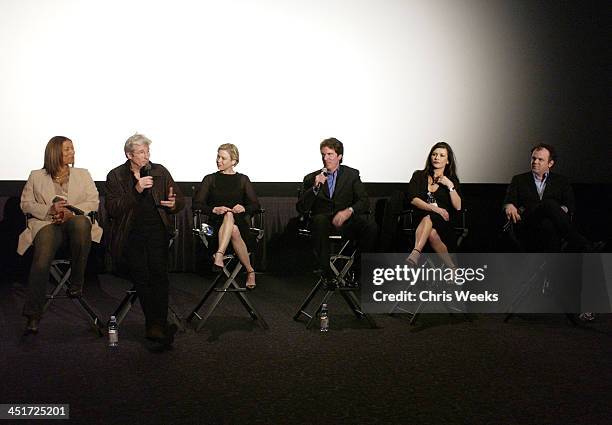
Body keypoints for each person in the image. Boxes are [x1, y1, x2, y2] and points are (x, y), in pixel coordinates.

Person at [105, 133, 184, 351]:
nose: (146, 156)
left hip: (157, 230)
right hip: (131, 233)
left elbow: (180, 200)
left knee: (159, 275)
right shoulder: (116, 176)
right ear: (129, 155)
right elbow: (113, 209)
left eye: (148, 152)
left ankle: (156, 326)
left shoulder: (159, 171)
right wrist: (136, 190)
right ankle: (156, 326)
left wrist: (173, 204)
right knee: (143, 277)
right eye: (141, 152)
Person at [18, 136, 102, 334]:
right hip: (47, 224)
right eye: (67, 149)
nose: (72, 152)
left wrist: (70, 213)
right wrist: (50, 210)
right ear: (55, 153)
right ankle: (33, 314)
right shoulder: (36, 176)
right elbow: (26, 204)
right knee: (42, 257)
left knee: (82, 223)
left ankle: (76, 283)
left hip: (75, 224)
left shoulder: (83, 174)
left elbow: (93, 202)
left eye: (72, 148)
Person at [297, 137, 377, 286]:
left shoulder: (351, 175)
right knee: (319, 220)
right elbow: (301, 208)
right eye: (323, 154)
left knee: (370, 227)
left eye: (330, 154)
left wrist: (348, 211)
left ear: (339, 156)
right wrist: (315, 188)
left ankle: (356, 271)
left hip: (345, 221)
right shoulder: (311, 178)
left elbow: (364, 201)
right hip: (323, 223)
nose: (325, 158)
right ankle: (326, 272)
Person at [503, 143, 595, 252]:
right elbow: (508, 200)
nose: (535, 162)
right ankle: (582, 243)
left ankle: (551, 263)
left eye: (540, 159)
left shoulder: (562, 181)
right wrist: (509, 206)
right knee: (549, 204)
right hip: (527, 221)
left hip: (552, 224)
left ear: (550, 163)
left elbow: (570, 205)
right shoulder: (519, 179)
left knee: (549, 223)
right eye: (533, 158)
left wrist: (557, 211)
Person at [192, 143, 260, 289]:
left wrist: (244, 208)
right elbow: (197, 205)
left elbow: (256, 205)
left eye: (223, 158)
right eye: (218, 157)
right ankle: (250, 271)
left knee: (233, 222)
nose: (218, 161)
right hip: (216, 226)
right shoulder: (210, 179)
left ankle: (219, 255)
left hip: (240, 224)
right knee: (230, 222)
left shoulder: (243, 179)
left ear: (233, 161)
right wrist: (214, 210)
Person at [405, 141, 462, 268]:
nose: (436, 158)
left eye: (442, 155)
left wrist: (450, 186)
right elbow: (413, 199)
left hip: (443, 222)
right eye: (434, 154)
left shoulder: (452, 180)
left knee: (430, 219)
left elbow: (458, 206)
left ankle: (415, 252)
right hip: (419, 218)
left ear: (448, 161)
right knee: (429, 225)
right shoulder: (419, 175)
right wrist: (436, 209)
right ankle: (452, 267)